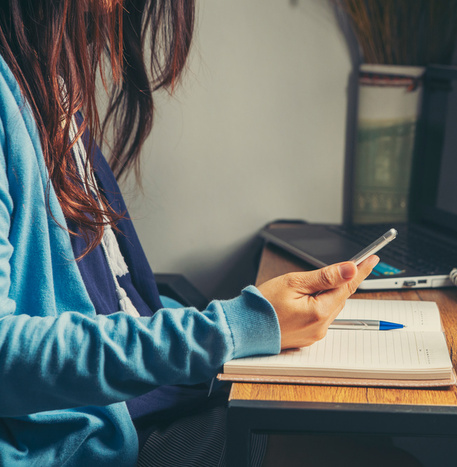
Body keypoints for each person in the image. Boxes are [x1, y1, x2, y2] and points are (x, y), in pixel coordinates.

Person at [0, 1, 378, 465]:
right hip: (86, 443)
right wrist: (231, 329)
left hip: (135, 408)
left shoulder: (49, 85)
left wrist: (244, 322)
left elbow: (119, 303)